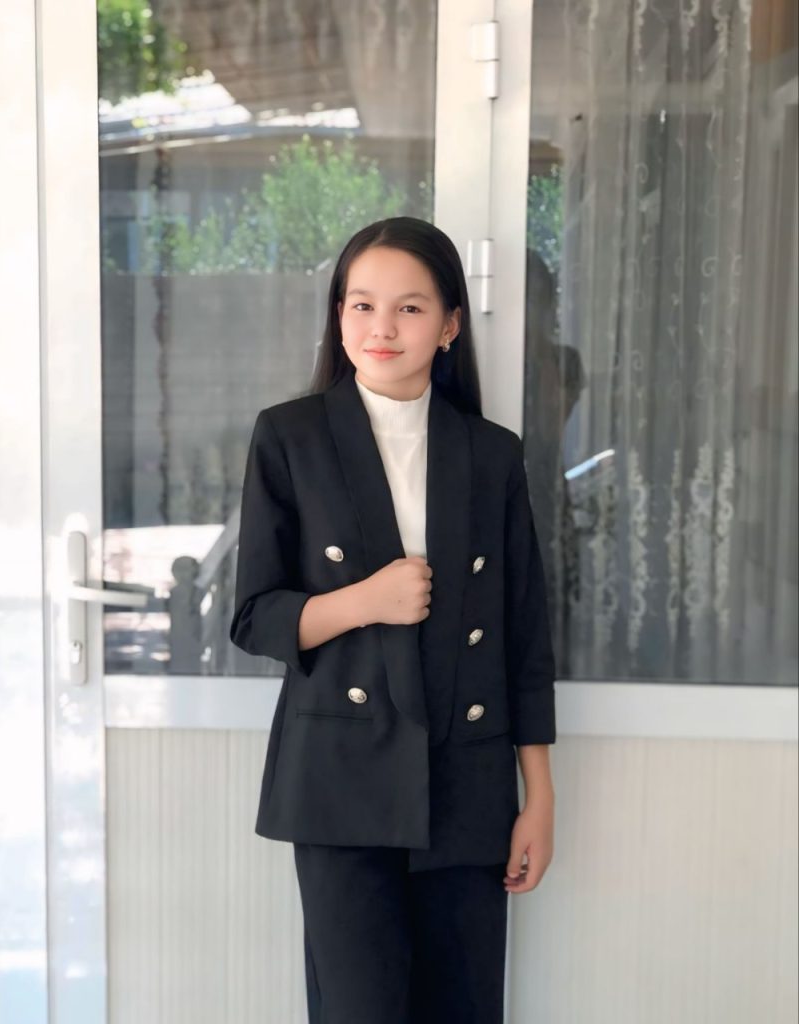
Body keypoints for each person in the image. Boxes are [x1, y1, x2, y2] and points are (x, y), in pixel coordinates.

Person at [230, 217, 557, 1024]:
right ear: (337, 314)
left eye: (410, 309)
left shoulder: (492, 454)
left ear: (449, 326)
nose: (381, 328)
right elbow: (253, 616)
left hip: (470, 783)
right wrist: (364, 602)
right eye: (361, 304)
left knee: (465, 1008)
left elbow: (523, 635)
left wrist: (539, 796)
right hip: (341, 782)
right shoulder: (291, 437)